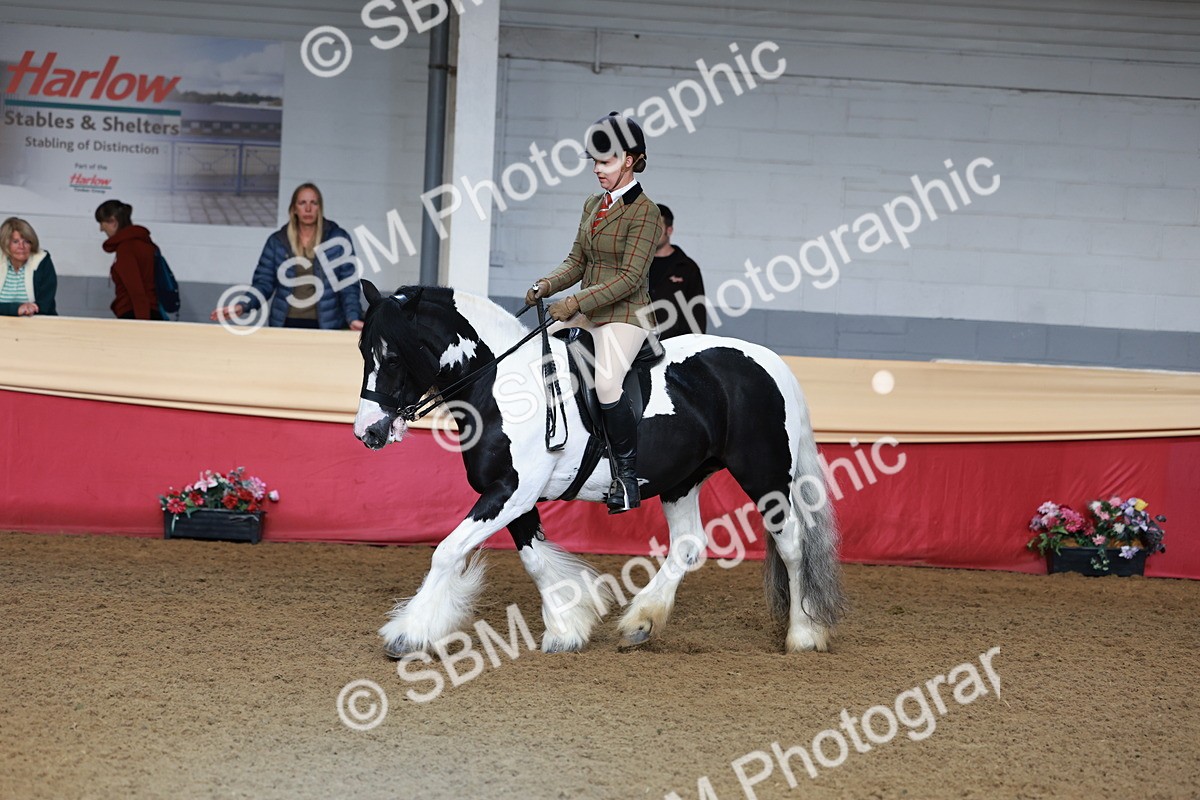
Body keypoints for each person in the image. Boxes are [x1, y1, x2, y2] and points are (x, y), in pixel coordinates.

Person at [525, 112, 663, 514]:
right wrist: (547, 285)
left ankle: (626, 476)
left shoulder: (646, 212)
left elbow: (630, 278)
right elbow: (576, 262)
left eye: (606, 161)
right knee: (538, 360)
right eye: (595, 162)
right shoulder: (592, 204)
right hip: (588, 310)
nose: (597, 169)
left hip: (626, 315)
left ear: (629, 160)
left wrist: (574, 303)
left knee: (605, 384)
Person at [211, 183, 363, 330]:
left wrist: (353, 317)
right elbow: (263, 282)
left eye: (313, 203)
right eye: (302, 203)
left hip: (326, 325)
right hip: (286, 323)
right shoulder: (277, 241)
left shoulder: (337, 239)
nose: (308, 208)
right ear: (294, 208)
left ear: (320, 207)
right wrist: (242, 306)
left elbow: (348, 285)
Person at [648, 204, 706, 338]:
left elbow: (697, 313)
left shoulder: (687, 268)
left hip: (674, 345)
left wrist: (695, 344)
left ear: (669, 230)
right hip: (639, 343)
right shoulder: (637, 265)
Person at [96, 200, 160, 320]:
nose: (101, 229)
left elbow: (136, 290)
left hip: (135, 314)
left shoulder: (126, 248)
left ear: (113, 221)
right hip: (151, 311)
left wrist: (142, 324)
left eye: (101, 223)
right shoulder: (147, 245)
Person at [0, 217, 57, 317]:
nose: (22, 246)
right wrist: (17, 309)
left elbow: (44, 306)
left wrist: (27, 310)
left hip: (36, 322)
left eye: (26, 241)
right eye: (15, 242)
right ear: (5, 244)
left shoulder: (42, 261)